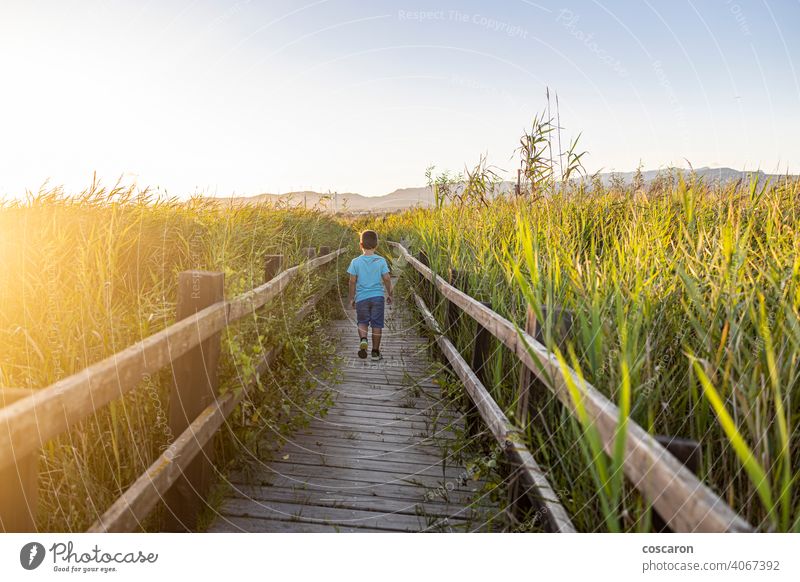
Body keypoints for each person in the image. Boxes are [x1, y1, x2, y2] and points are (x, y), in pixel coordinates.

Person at [346, 230, 393, 360]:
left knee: (362, 322)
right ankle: (375, 352)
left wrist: (351, 298)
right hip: (378, 297)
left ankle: (363, 339)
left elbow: (352, 282)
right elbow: (387, 279)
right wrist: (390, 294)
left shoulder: (355, 262)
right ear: (376, 245)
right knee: (377, 325)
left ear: (360, 245)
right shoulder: (381, 260)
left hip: (361, 298)